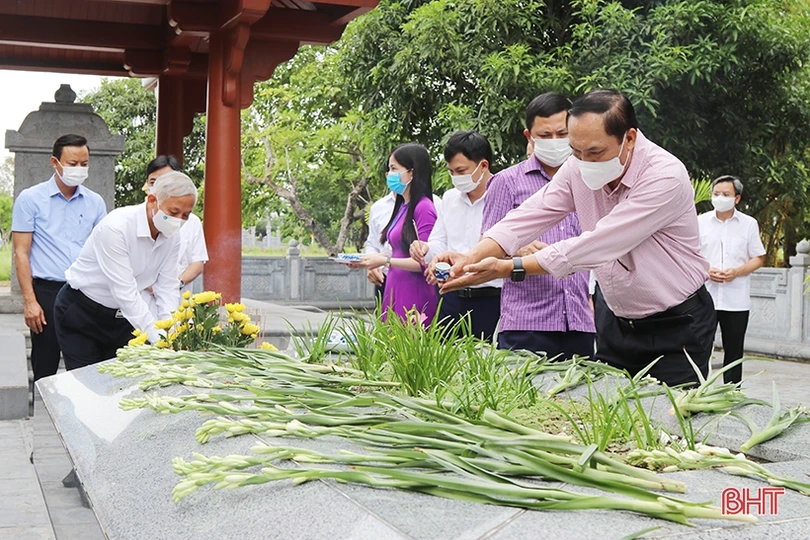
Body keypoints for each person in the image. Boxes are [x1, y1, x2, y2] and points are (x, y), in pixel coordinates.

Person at [430, 89, 715, 387]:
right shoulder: (577, 166)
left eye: (594, 152)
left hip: (676, 325)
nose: (583, 162)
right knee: (610, 422)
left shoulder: (664, 177)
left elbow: (599, 243)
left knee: (667, 424)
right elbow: (532, 212)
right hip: (615, 322)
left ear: (629, 138)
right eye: (576, 151)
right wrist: (472, 257)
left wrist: (510, 267)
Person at [480, 93, 595, 358]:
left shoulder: (590, 179)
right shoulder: (506, 182)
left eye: (562, 133)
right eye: (545, 135)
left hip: (578, 321)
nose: (555, 141)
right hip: (527, 323)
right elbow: (486, 248)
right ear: (529, 136)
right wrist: (515, 247)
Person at [53, 171, 198, 369]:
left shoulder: (173, 237)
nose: (179, 220)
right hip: (82, 312)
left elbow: (167, 286)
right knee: (86, 387)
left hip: (122, 317)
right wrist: (159, 340)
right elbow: (125, 291)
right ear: (152, 199)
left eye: (185, 215)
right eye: (173, 212)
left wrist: (171, 331)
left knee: (121, 384)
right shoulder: (116, 228)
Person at [11, 134, 106, 380]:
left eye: (84, 164)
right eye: (73, 164)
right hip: (47, 291)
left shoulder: (95, 203)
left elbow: (103, 250)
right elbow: (21, 252)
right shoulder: (31, 199)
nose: (79, 169)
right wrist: (30, 301)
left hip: (85, 291)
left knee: (86, 360)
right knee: (45, 360)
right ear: (55, 162)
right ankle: (46, 411)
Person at [410, 131, 501, 340]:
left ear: (484, 165)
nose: (457, 178)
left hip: (492, 298)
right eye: (451, 171)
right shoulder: (450, 198)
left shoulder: (504, 196)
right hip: (451, 298)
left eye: (461, 170)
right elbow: (439, 243)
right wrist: (424, 249)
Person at [352, 143, 438, 324]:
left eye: (394, 169)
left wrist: (385, 261)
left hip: (414, 289)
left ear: (411, 173)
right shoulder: (401, 207)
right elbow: (379, 245)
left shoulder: (424, 207)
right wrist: (367, 261)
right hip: (394, 285)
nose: (389, 175)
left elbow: (427, 261)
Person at [698, 175, 765, 384]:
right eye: (716, 194)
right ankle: (696, 390)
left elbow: (759, 258)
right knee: (699, 346)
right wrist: (706, 270)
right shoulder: (700, 222)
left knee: (734, 350)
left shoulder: (748, 224)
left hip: (736, 299)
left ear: (737, 198)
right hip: (704, 296)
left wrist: (737, 271)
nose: (720, 198)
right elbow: (690, 255)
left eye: (726, 194)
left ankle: (730, 394)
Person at [141, 156, 208, 301]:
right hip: (142, 296)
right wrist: (147, 283)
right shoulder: (133, 219)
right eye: (153, 181)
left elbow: (198, 262)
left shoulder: (191, 222)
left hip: (177, 296)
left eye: (165, 180)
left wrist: (175, 283)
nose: (159, 186)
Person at [365, 192, 444, 303]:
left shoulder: (429, 205)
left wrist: (384, 260)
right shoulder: (381, 207)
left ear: (412, 174)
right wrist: (371, 264)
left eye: (395, 173)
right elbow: (373, 244)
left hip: (417, 283)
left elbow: (431, 254)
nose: (391, 176)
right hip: (386, 280)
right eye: (389, 173)